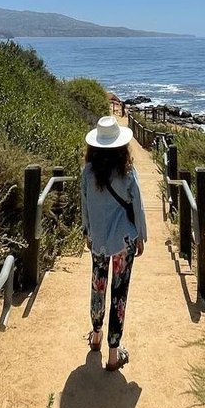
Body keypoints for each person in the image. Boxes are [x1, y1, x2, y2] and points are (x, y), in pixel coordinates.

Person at [80, 115, 147, 371]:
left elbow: (85, 206)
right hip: (123, 241)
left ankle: (96, 336)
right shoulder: (128, 172)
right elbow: (138, 207)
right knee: (120, 294)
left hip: (97, 239)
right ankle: (113, 353)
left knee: (98, 287)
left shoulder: (87, 172)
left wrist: (87, 232)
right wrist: (141, 236)